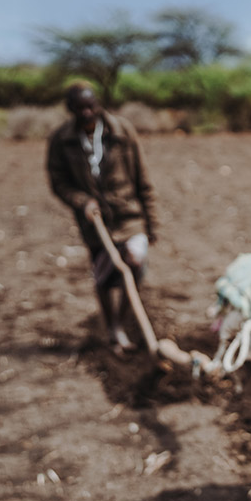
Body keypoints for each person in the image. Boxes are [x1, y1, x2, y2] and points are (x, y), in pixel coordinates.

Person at [46, 82, 158, 352]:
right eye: (79, 108)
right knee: (103, 278)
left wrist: (151, 223)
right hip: (94, 222)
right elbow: (58, 182)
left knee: (134, 261)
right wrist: (82, 201)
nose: (86, 112)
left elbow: (143, 178)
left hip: (129, 215)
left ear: (98, 104)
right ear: (70, 109)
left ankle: (123, 322)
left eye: (90, 105)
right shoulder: (61, 140)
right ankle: (112, 327)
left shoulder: (122, 131)